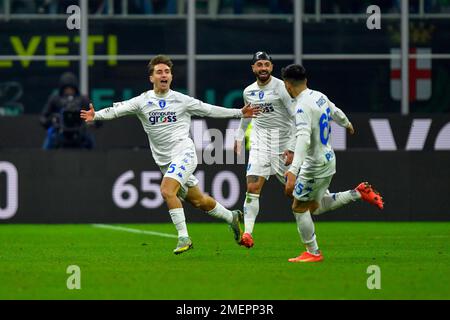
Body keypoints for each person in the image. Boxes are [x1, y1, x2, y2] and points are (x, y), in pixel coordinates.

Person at [81, 54, 260, 254]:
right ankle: (231, 217)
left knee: (167, 191)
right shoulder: (143, 101)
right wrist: (95, 115)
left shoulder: (181, 100)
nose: (164, 75)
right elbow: (117, 110)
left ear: (171, 77)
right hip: (165, 161)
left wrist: (238, 113)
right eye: (159, 72)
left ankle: (184, 237)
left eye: (167, 72)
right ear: (152, 78)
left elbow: (208, 110)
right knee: (199, 200)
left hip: (184, 153)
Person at [234, 52, 383, 249]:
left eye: (267, 64)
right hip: (260, 145)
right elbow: (247, 115)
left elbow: (297, 119)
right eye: (259, 64)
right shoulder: (248, 92)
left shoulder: (282, 88)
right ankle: (248, 233)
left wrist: (291, 149)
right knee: (252, 187)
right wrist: (238, 136)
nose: (263, 68)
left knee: (313, 205)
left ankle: (355, 194)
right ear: (253, 68)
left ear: (271, 67)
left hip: (284, 147)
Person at [282, 64, 383, 263]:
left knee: (299, 207)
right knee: (316, 207)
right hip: (328, 159)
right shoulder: (318, 96)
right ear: (306, 81)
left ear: (287, 85)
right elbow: (335, 110)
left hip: (314, 165)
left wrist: (293, 170)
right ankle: (357, 192)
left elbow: (304, 137)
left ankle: (313, 252)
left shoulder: (301, 106)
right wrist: (347, 123)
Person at [40, 72, 94, 150]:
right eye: (66, 88)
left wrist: (91, 121)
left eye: (71, 88)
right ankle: (43, 157)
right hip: (59, 131)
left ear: (75, 88)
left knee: (89, 137)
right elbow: (43, 117)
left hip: (80, 131)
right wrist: (52, 120)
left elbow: (96, 117)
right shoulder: (55, 99)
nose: (69, 91)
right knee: (50, 134)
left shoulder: (83, 99)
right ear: (62, 89)